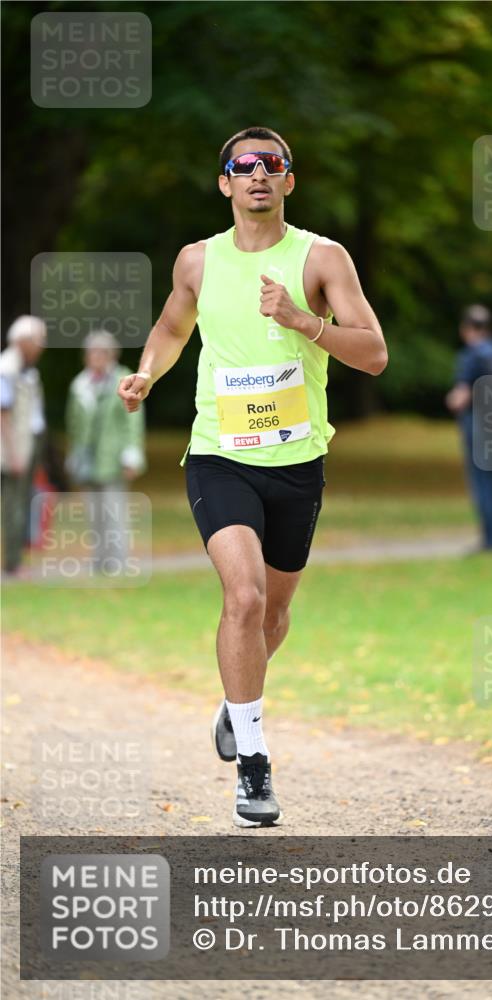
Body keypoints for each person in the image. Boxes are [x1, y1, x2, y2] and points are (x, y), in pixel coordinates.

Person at [118, 126, 387, 827]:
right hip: (219, 455)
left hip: (297, 462)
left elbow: (376, 355)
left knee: (272, 613)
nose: (259, 174)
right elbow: (173, 329)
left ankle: (236, 706)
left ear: (289, 181)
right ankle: (255, 766)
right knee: (243, 596)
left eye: (273, 164)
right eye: (244, 166)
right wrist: (147, 372)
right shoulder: (197, 262)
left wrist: (305, 321)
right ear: (225, 183)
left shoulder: (322, 257)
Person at [66, 330, 146, 574]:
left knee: (114, 512)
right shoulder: (80, 384)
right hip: (87, 460)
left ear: (111, 354)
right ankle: (99, 560)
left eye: (101, 352)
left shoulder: (123, 380)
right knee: (94, 513)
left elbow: (133, 421)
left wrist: (132, 454)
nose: (95, 357)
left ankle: (117, 562)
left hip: (113, 458)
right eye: (91, 352)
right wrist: (74, 455)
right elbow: (74, 424)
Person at [445, 304, 492, 552]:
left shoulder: (472, 355)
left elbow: (460, 396)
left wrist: (451, 400)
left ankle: (490, 541)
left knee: (481, 482)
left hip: (476, 422)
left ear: (466, 329)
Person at [0, 315, 47, 575]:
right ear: (23, 341)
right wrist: (14, 454)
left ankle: (16, 559)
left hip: (26, 445)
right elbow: (2, 415)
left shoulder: (26, 369)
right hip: (12, 449)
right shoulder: (7, 368)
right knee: (13, 505)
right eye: (39, 340)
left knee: (22, 503)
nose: (42, 346)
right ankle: (12, 564)